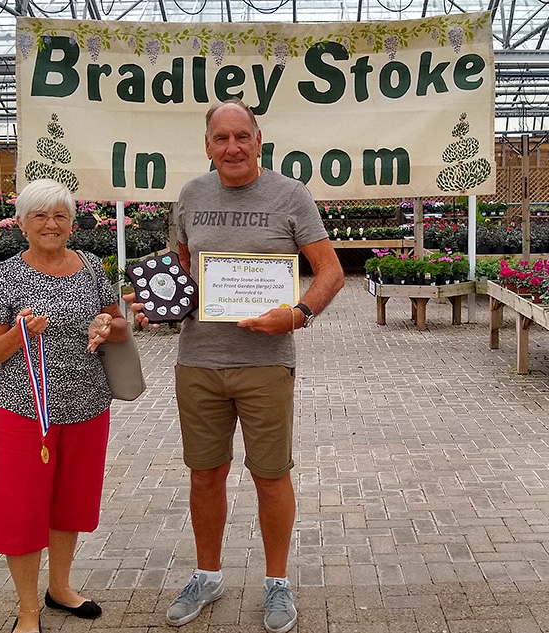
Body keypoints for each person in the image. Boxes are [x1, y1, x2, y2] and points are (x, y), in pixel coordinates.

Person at [127, 98, 344, 633]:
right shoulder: (191, 196)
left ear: (258, 139)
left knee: (271, 476)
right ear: (207, 146)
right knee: (205, 475)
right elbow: (178, 269)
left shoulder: (291, 195)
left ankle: (277, 584)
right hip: (198, 360)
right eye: (220, 139)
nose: (232, 147)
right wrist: (156, 305)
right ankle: (207, 574)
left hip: (265, 364)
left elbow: (331, 273)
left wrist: (296, 315)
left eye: (241, 136)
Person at [0, 179, 130, 633]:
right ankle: (27, 608)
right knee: (21, 511)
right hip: (25, 412)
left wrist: (108, 323)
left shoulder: (89, 267)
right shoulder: (5, 276)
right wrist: (18, 334)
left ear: (72, 223)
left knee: (70, 503)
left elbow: (118, 324)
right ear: (22, 224)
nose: (50, 223)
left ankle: (59, 588)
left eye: (59, 215)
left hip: (86, 406)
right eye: (40, 215)